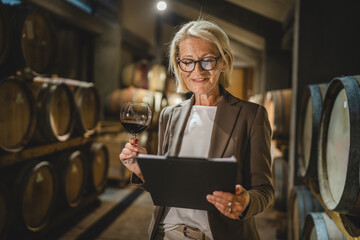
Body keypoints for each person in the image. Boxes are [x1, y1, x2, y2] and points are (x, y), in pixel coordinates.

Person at [119, 19, 274, 240]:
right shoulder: (169, 115)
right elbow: (170, 189)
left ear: (224, 61)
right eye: (188, 62)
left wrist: (245, 201)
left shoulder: (251, 115)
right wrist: (144, 170)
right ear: (179, 64)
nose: (197, 70)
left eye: (207, 60)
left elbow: (264, 190)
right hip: (167, 233)